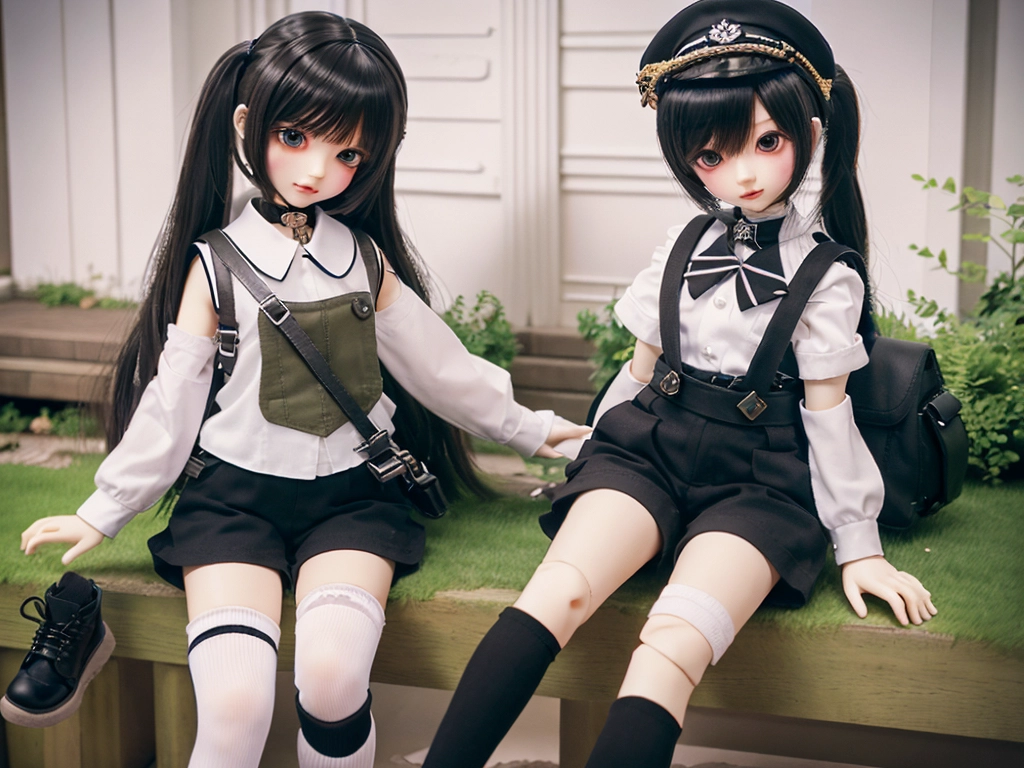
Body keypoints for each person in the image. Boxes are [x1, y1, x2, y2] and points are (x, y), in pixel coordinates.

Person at [13, 12, 584, 768]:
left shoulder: (364, 261)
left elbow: (439, 366)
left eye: (346, 153)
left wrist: (532, 428)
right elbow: (172, 399)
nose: (316, 169)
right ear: (246, 126)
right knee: (236, 700)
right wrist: (105, 507)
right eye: (293, 137)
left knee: (334, 676)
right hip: (233, 500)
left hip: (353, 498)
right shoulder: (217, 265)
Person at [422, 2, 937, 767]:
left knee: (670, 645)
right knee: (555, 595)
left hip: (761, 479)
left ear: (811, 131)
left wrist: (859, 548)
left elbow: (828, 417)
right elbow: (638, 372)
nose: (744, 173)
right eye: (712, 155)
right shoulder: (683, 242)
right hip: (647, 448)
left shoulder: (829, 279)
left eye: (768, 141)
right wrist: (589, 457)